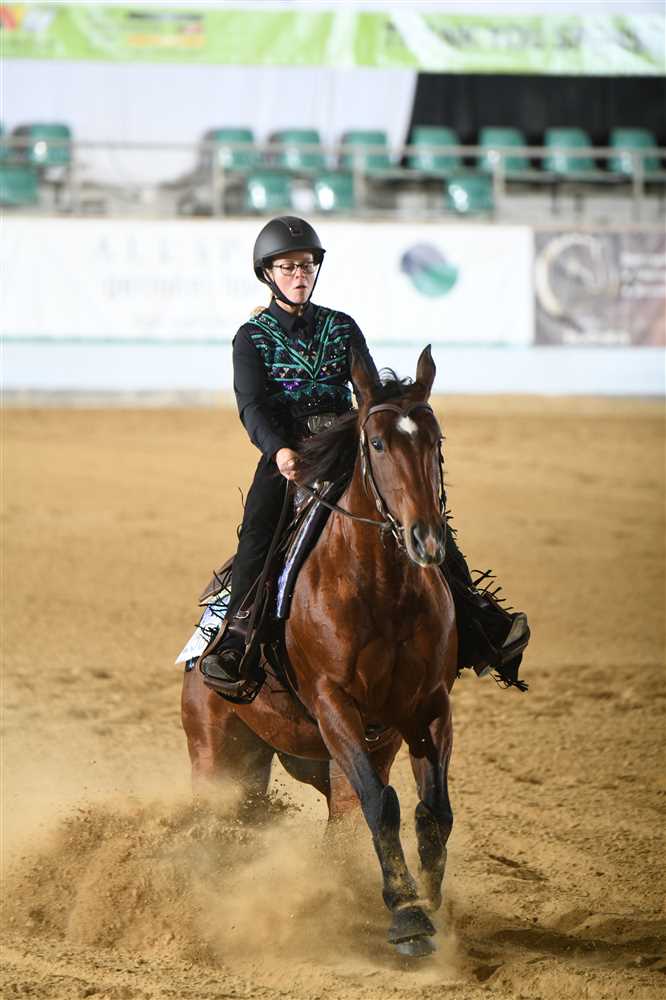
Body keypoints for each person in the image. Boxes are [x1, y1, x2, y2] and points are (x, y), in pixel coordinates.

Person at [200, 216, 530, 696]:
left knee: (419, 507)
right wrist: (279, 451)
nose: (299, 275)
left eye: (307, 266)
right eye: (289, 267)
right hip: (291, 456)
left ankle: (478, 617)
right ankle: (238, 635)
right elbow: (251, 405)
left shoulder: (341, 326)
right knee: (258, 528)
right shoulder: (251, 337)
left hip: (347, 448)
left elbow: (368, 393)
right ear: (268, 274)